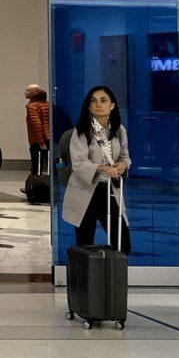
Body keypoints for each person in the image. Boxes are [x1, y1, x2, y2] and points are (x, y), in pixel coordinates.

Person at [61, 85, 132, 254]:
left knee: (122, 243)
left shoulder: (119, 130)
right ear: (89, 106)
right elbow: (78, 163)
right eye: (93, 101)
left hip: (109, 191)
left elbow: (125, 156)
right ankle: (87, 279)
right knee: (85, 243)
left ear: (112, 105)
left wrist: (123, 164)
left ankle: (113, 276)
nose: (98, 104)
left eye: (103, 100)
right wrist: (102, 168)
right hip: (86, 191)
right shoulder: (82, 131)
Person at [24, 84, 51, 176]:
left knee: (36, 165)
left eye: (28, 90)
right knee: (49, 163)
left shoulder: (32, 106)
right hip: (49, 138)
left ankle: (35, 186)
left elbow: (36, 125)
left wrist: (40, 142)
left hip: (38, 141)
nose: (25, 92)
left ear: (34, 93)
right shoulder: (48, 104)